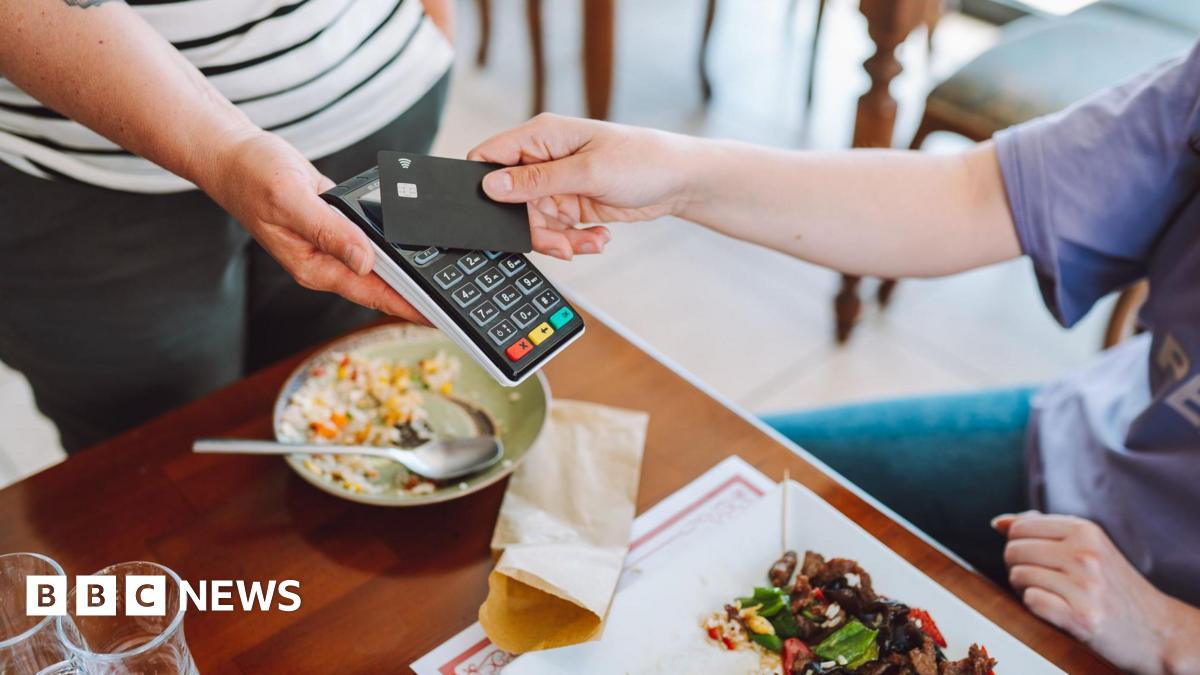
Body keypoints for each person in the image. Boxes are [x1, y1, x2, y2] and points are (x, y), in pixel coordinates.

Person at [465, 46, 1200, 674]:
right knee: (692, 480)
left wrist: (1172, 633)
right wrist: (678, 173)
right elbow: (978, 196)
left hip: (1167, 612)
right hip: (1094, 441)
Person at [0, 0, 610, 453]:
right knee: (153, 452)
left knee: (336, 400)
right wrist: (228, 148)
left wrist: (426, 29)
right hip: (81, 169)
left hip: (372, 110)